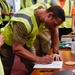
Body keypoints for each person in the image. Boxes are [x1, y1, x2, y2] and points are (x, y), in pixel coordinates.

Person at [1, 3, 65, 75]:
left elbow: (54, 30)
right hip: (7, 42)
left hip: (27, 42)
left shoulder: (46, 9)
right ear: (49, 15)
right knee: (5, 69)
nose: (54, 27)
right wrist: (39, 59)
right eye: (55, 24)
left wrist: (55, 52)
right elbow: (17, 48)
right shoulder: (23, 21)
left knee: (34, 66)